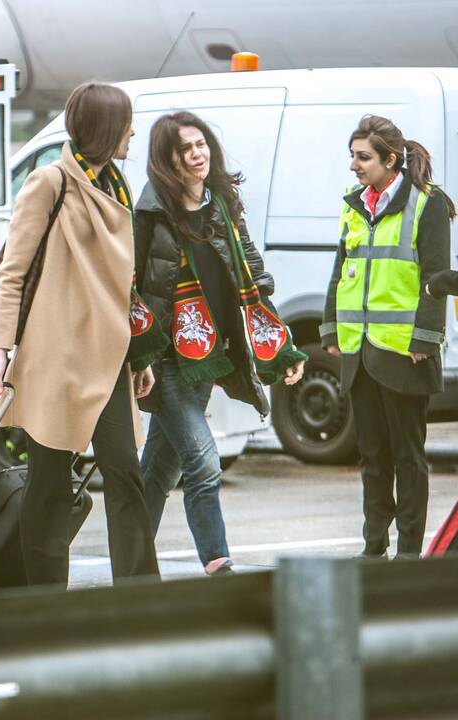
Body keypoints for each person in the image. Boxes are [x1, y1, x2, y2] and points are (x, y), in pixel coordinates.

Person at [0, 82, 165, 589]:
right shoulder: (49, 182)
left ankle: (139, 591)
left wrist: (140, 356)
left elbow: (124, 284)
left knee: (125, 472)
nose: (132, 131)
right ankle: (47, 595)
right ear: (106, 128)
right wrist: (0, 350)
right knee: (49, 481)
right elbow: (12, 273)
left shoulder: (118, 186)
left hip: (110, 356)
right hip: (57, 354)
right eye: (126, 122)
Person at [135, 111, 306, 576]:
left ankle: (131, 565)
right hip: (167, 358)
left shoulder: (223, 203)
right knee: (203, 461)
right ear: (166, 160)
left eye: (201, 144)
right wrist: (139, 353)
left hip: (209, 356)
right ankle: (218, 562)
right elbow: (133, 286)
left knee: (157, 472)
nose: (197, 154)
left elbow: (250, 269)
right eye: (185, 149)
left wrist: (277, 338)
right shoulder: (150, 212)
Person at [321, 115, 455, 559]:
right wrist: (330, 329)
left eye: (363, 158)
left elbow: (435, 275)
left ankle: (409, 553)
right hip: (360, 351)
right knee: (372, 458)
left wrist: (425, 339)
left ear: (390, 159)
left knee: (408, 458)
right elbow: (341, 270)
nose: (354, 166)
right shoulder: (355, 203)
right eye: (353, 157)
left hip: (403, 352)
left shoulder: (426, 203)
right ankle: (373, 547)